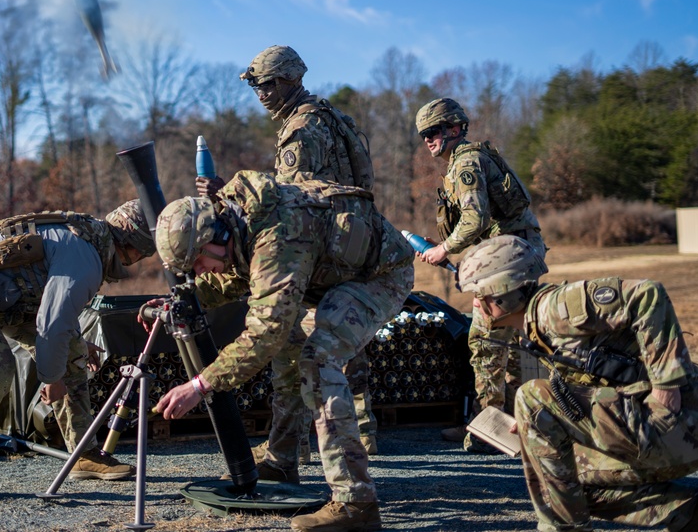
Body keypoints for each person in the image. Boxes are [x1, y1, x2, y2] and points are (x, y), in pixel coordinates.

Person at [151, 171, 413, 532]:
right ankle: (281, 462)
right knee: (290, 353)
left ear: (216, 234)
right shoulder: (240, 221)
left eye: (197, 261)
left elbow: (263, 334)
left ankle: (356, 504)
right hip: (327, 278)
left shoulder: (279, 237)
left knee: (319, 361)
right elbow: (235, 275)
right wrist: (182, 302)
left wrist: (199, 385)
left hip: (379, 276)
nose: (199, 271)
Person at [198, 44, 380, 464]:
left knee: (287, 345)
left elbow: (289, 200)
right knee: (340, 342)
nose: (260, 94)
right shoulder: (329, 115)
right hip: (345, 239)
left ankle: (290, 447)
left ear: (290, 81)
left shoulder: (301, 128)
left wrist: (226, 196)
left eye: (267, 84)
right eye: (256, 87)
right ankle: (356, 435)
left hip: (313, 244)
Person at [457, 235, 698, 532]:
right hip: (675, 438)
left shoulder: (554, 308)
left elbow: (647, 295)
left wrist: (666, 386)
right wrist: (532, 425)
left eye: (479, 293)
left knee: (531, 397)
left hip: (678, 425)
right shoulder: (536, 331)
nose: (475, 302)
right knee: (566, 483)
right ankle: (695, 513)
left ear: (502, 292)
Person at [0, 200, 155, 503]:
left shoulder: (88, 242)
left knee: (72, 352)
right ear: (133, 246)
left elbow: (54, 316)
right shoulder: (86, 256)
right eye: (143, 253)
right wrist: (51, 379)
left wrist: (72, 349)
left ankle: (83, 455)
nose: (139, 261)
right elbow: (53, 321)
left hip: (5, 296)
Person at [413, 97, 546, 452]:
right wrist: (442, 243)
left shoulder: (466, 162)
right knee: (518, 341)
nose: (428, 139)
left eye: (434, 131)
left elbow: (475, 220)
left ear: (455, 129)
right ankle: (519, 425)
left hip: (508, 262)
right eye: (424, 133)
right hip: (514, 255)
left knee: (487, 342)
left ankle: (490, 430)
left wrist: (444, 249)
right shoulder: (469, 158)